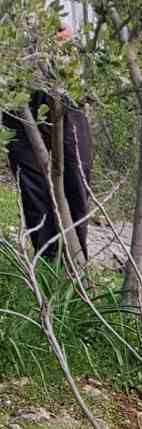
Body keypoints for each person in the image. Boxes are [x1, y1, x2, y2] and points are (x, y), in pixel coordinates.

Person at [3, 20, 94, 264]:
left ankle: (76, 266)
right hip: (16, 88)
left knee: (76, 174)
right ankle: (46, 268)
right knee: (31, 182)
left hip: (68, 86)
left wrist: (76, 37)